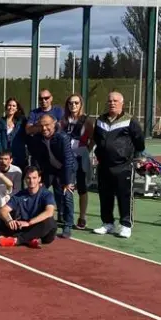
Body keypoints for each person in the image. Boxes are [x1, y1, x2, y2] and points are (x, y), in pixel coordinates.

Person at [92, 91, 145, 239]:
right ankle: (107, 223)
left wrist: (136, 158)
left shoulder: (130, 121)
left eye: (115, 101)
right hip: (104, 166)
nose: (112, 103)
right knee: (105, 196)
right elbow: (97, 139)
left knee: (124, 196)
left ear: (122, 103)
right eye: (110, 101)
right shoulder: (100, 120)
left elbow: (139, 141)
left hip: (124, 166)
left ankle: (126, 225)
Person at [27, 114, 76, 238]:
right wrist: (37, 177)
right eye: (41, 126)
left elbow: (68, 160)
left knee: (66, 194)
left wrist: (67, 182)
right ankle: (35, 219)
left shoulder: (63, 137)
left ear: (54, 124)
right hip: (49, 170)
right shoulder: (37, 138)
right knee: (38, 191)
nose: (44, 128)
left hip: (66, 169)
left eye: (47, 125)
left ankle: (68, 225)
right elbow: (36, 159)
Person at [0, 166, 58, 248]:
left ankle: (17, 240)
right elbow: (3, 210)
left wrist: (29, 223)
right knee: (1, 216)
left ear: (39, 179)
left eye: (34, 178)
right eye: (28, 178)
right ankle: (31, 240)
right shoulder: (19, 195)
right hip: (25, 227)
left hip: (40, 229)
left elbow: (49, 212)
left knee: (50, 222)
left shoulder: (46, 194)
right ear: (25, 179)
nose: (31, 181)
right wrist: (9, 220)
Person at [61, 94, 95, 229]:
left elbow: (92, 139)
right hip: (67, 157)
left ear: (81, 104)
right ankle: (66, 215)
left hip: (81, 156)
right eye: (70, 103)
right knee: (67, 185)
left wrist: (86, 150)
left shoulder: (87, 120)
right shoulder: (63, 120)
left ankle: (82, 217)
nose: (73, 105)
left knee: (82, 187)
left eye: (76, 103)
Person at [0, 98, 29, 170]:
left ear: (16, 109)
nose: (11, 107)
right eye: (9, 105)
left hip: (18, 156)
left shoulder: (22, 121)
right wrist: (0, 155)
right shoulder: (0, 122)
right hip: (4, 158)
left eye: (13, 106)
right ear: (6, 107)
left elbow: (27, 137)